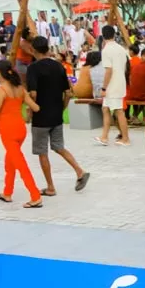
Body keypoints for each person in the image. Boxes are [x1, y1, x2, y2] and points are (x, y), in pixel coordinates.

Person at [0, 60, 43, 209]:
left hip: (8, 131)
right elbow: (36, 108)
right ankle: (7, 192)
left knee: (20, 164)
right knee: (10, 161)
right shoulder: (20, 88)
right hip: (20, 129)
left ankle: (35, 196)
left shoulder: (1, 90)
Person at [26, 36, 90, 197]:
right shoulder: (59, 66)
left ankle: (50, 187)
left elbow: (33, 94)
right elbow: (68, 92)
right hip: (56, 115)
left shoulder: (33, 68)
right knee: (59, 147)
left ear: (33, 50)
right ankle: (79, 171)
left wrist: (30, 109)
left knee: (42, 152)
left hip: (41, 116)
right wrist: (62, 108)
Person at [97, 25, 131, 146]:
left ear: (103, 36)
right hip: (119, 82)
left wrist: (104, 87)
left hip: (112, 85)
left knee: (118, 111)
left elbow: (109, 70)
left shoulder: (106, 50)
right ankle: (104, 137)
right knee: (105, 109)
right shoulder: (121, 49)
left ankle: (125, 138)